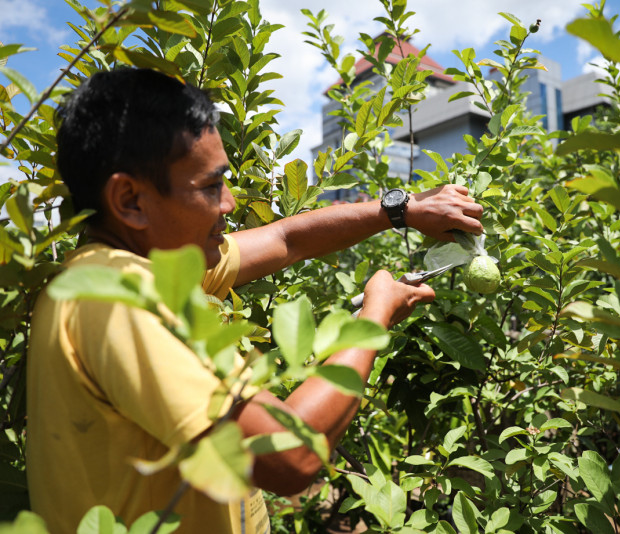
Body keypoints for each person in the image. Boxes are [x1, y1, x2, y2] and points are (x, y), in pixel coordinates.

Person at [25, 68, 483, 534]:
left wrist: (403, 210)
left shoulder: (146, 263)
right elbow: (290, 455)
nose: (229, 203)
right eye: (210, 186)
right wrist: (373, 320)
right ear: (130, 201)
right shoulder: (121, 302)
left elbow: (287, 239)